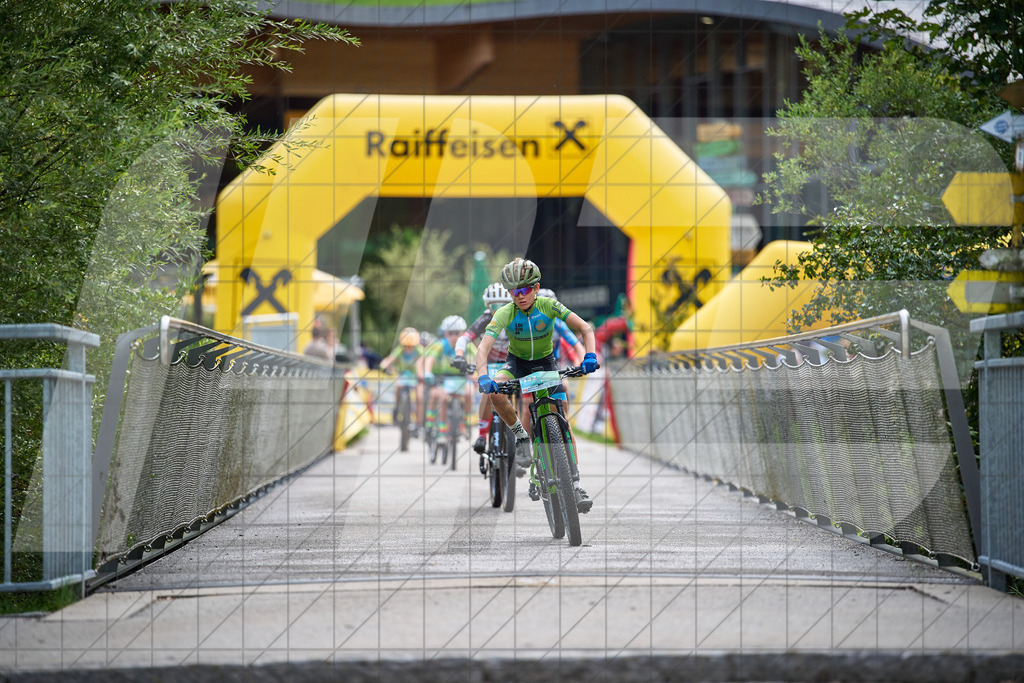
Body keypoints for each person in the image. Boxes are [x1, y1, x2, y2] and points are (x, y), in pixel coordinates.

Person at [473, 258, 600, 514]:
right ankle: (521, 437)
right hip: (516, 364)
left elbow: (585, 328)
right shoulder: (504, 312)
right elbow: (482, 348)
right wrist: (483, 376)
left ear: (536, 288)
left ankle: (575, 484)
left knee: (562, 417)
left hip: (546, 363)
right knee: (495, 393)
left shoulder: (549, 305)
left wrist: (590, 356)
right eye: (513, 292)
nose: (519, 296)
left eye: (524, 290)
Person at [453, 282, 513, 473]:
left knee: (522, 395)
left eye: (503, 305)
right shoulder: (485, 319)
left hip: (511, 364)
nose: (498, 310)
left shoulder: (515, 317)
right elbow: (464, 338)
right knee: (488, 390)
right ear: (488, 307)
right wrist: (459, 356)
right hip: (489, 364)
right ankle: (481, 435)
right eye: (494, 306)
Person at [422, 315, 475, 442]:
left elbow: (478, 356)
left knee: (469, 393)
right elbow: (430, 359)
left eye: (457, 333)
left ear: (463, 333)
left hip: (462, 377)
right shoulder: (440, 344)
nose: (454, 336)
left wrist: (480, 373)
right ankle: (442, 431)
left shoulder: (467, 345)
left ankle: (466, 424)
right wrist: (427, 372)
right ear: (445, 333)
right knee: (443, 398)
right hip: (444, 378)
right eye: (450, 333)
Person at [380, 327, 424, 435]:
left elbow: (423, 360)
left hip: (416, 376)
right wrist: (384, 365)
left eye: (411, 346)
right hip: (403, 376)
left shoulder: (419, 350)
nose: (408, 348)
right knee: (397, 387)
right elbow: (390, 359)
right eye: (406, 346)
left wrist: (422, 373)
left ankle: (419, 423)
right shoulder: (400, 349)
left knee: (419, 396)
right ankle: (396, 408)